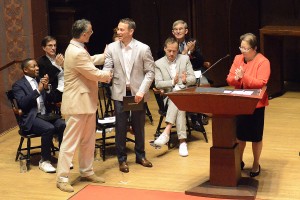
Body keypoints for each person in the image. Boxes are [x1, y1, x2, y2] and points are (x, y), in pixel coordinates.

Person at [56, 19, 112, 193]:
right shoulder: (77, 52)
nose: (92, 33)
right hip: (77, 104)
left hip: (86, 103)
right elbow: (92, 72)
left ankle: (87, 171)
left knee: (88, 140)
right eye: (91, 31)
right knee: (70, 142)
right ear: (84, 34)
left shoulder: (76, 48)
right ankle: (62, 178)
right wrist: (108, 74)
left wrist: (104, 56)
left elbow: (89, 60)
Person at [103, 18, 155, 173]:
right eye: (118, 29)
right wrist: (106, 74)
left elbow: (150, 72)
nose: (118, 32)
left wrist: (141, 91)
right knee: (120, 127)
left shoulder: (143, 48)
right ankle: (122, 159)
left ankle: (140, 156)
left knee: (139, 126)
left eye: (121, 30)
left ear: (131, 31)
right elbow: (107, 68)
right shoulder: (111, 48)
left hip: (137, 93)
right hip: (120, 92)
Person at [226, 33, 270, 177]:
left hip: (256, 104)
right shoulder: (238, 59)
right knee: (240, 136)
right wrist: (238, 79)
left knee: (256, 137)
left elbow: (261, 82)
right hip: (240, 102)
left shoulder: (263, 61)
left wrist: (243, 76)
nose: (242, 51)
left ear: (255, 48)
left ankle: (256, 164)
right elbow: (230, 78)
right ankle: (239, 161)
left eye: (246, 48)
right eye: (241, 47)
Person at [12, 58, 65, 173]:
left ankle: (63, 157)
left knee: (62, 124)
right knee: (49, 128)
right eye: (33, 66)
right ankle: (45, 161)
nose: (37, 68)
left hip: (44, 115)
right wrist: (38, 90)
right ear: (25, 70)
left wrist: (46, 89)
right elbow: (23, 104)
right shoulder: (18, 85)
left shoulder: (39, 80)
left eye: (37, 66)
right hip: (30, 118)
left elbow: (52, 99)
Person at [153, 37, 196, 156]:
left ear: (178, 50)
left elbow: (193, 78)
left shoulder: (185, 59)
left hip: (185, 95)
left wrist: (185, 80)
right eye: (169, 51)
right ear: (165, 49)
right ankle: (182, 142)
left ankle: (167, 131)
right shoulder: (158, 64)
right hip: (169, 97)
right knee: (178, 104)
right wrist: (172, 82)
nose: (172, 54)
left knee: (179, 100)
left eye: (174, 51)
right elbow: (158, 83)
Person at [171, 19, 209, 129]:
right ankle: (192, 116)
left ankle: (200, 114)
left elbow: (200, 61)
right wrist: (185, 52)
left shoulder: (192, 42)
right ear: (173, 32)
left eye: (181, 29)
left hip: (194, 72)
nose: (178, 31)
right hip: (177, 75)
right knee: (186, 86)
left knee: (204, 84)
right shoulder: (170, 44)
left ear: (186, 31)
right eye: (176, 30)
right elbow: (174, 63)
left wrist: (193, 51)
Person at [38, 36, 64, 104]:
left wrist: (64, 65)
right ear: (44, 48)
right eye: (50, 45)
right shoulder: (41, 62)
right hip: (55, 93)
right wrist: (57, 65)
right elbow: (48, 80)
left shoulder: (60, 57)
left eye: (55, 45)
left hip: (68, 89)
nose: (53, 48)